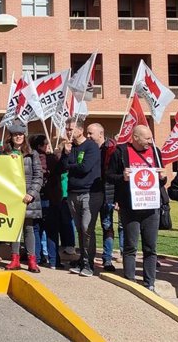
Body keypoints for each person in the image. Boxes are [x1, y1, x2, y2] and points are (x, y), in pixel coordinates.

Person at [106, 125, 166, 291]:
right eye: (147, 138)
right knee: (131, 245)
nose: (150, 141)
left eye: (151, 138)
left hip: (151, 207)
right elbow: (109, 176)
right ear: (136, 137)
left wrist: (163, 177)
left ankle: (149, 283)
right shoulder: (120, 151)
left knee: (150, 247)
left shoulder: (155, 152)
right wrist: (123, 177)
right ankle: (130, 281)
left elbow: (160, 182)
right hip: (130, 206)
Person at [59, 117, 103, 277]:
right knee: (79, 229)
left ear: (80, 130)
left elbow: (84, 168)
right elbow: (63, 167)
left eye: (70, 129)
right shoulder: (70, 148)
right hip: (73, 193)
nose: (68, 132)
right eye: (67, 129)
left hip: (89, 193)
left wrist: (71, 166)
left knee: (87, 229)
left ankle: (89, 264)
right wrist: (66, 154)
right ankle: (82, 259)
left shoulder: (91, 147)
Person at [3, 121, 43, 273]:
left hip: (28, 197)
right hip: (12, 197)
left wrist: (31, 194)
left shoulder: (33, 154)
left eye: (20, 134)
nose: (18, 137)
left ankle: (32, 260)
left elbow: (38, 176)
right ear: (11, 137)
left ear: (24, 136)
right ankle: (15, 259)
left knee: (29, 228)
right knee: (15, 228)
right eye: (15, 135)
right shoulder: (5, 153)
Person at [86, 122, 121, 272]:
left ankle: (107, 258)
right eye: (87, 133)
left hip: (108, 193)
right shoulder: (87, 149)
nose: (88, 136)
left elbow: (116, 173)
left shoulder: (112, 149)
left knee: (107, 225)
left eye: (90, 133)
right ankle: (88, 258)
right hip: (91, 192)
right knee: (88, 226)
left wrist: (117, 198)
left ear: (100, 134)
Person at [30, 134, 63, 269]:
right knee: (52, 230)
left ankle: (36, 259)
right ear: (40, 146)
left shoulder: (30, 158)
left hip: (35, 197)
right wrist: (59, 156)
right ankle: (54, 260)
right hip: (50, 198)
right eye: (46, 144)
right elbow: (62, 169)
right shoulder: (50, 159)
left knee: (37, 229)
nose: (48, 146)